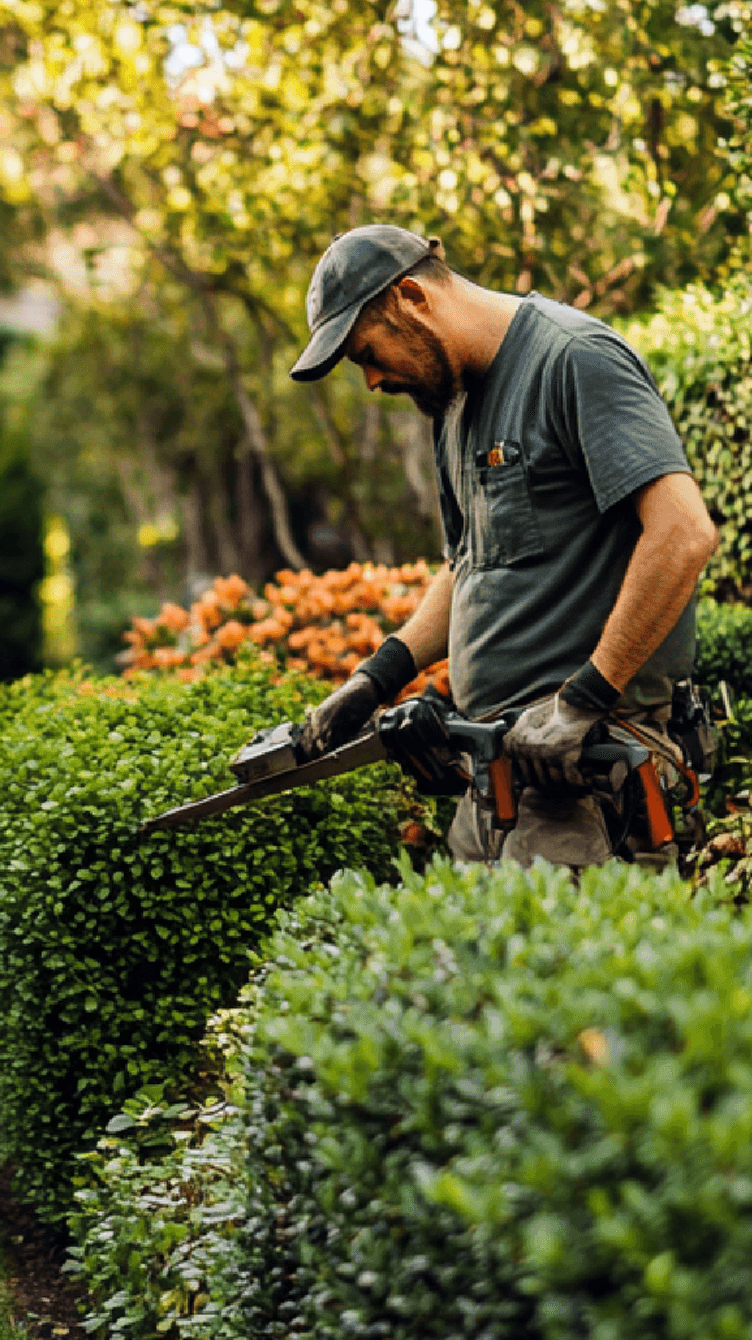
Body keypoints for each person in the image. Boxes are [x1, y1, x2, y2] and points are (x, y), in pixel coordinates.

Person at [287, 224, 718, 870]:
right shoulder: (453, 407)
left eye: (366, 353)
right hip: (496, 780)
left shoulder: (574, 358)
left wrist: (583, 700)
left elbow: (684, 534)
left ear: (411, 297)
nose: (372, 380)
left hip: (590, 776)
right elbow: (469, 567)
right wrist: (374, 681)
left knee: (558, 966)